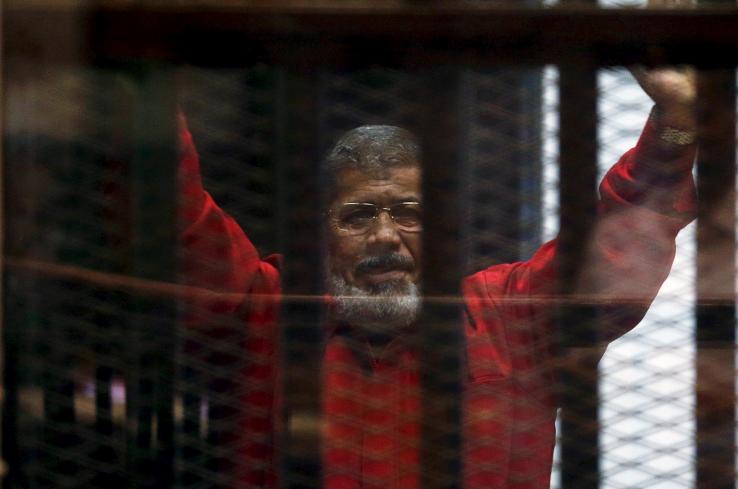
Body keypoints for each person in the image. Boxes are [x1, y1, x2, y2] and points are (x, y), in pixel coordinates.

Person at [177, 67, 698, 489]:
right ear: (321, 235)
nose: (384, 236)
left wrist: (674, 123)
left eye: (408, 213)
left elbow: (613, 246)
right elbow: (178, 218)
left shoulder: (511, 316)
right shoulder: (266, 307)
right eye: (359, 216)